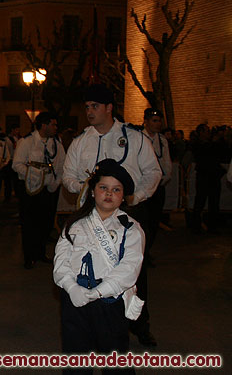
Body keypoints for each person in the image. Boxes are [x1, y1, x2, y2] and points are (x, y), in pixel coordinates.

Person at [62, 84, 161, 347]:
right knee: (89, 265)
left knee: (133, 274)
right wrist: (82, 189)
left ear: (109, 108)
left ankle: (139, 323)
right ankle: (92, 318)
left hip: (125, 211)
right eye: (86, 107)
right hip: (91, 214)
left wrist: (134, 197)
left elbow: (153, 172)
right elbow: (68, 175)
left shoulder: (134, 137)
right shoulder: (81, 140)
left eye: (95, 106)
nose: (89, 112)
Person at [54, 159, 144, 375]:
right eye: (103, 188)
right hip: (75, 298)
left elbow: (129, 268)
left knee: (115, 359)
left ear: (123, 196)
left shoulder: (131, 228)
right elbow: (61, 260)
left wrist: (100, 291)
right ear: (93, 191)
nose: (109, 194)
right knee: (76, 358)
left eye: (116, 190)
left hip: (110, 301)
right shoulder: (74, 223)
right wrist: (70, 286)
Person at [13, 112, 65, 269]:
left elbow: (62, 164)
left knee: (46, 222)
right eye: (53, 124)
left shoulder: (56, 143)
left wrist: (55, 182)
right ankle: (29, 256)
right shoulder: (27, 142)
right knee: (30, 224)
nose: (56, 128)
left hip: (49, 189)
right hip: (30, 190)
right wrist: (34, 176)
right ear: (44, 125)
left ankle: (41, 252)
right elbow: (17, 164)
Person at [141, 108, 171, 261]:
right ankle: (141, 253)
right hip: (144, 187)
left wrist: (164, 179)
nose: (158, 124)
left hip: (158, 186)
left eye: (159, 121)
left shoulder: (162, 140)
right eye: (154, 121)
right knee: (143, 222)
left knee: (154, 222)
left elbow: (166, 162)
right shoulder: (140, 138)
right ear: (146, 121)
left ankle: (147, 252)